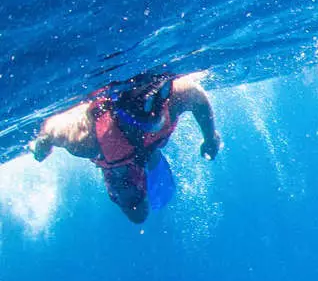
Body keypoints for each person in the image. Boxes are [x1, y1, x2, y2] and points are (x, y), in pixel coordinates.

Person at [29, 71, 220, 224]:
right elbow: (195, 95)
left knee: (138, 206)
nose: (120, 184)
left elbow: (53, 129)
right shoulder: (91, 141)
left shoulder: (89, 144)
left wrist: (42, 145)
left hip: (126, 139)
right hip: (129, 132)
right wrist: (210, 137)